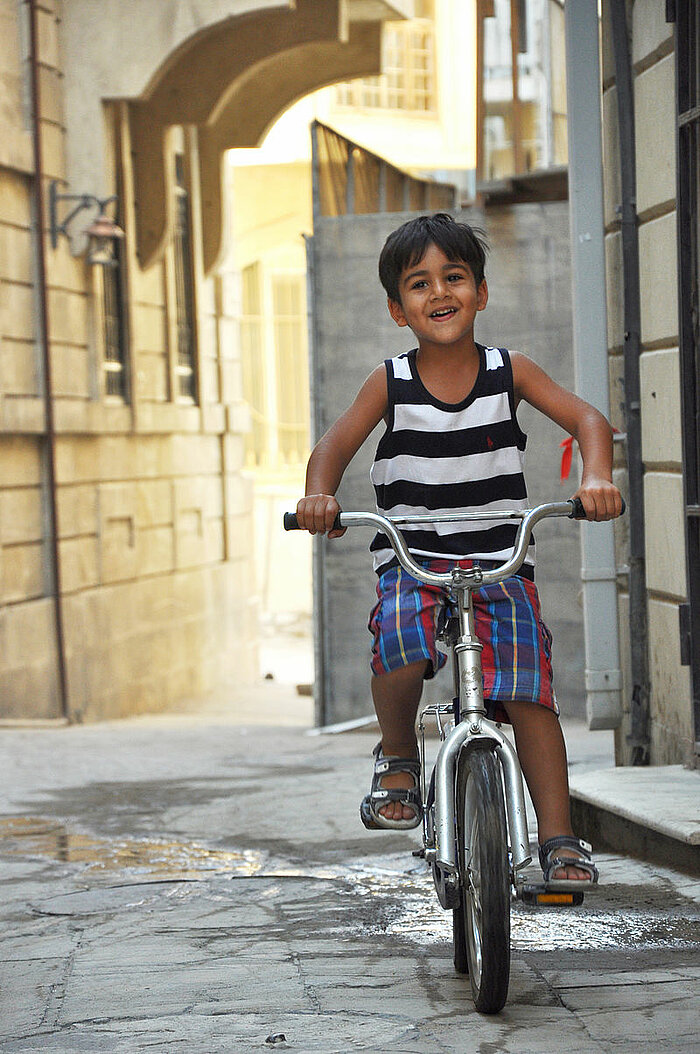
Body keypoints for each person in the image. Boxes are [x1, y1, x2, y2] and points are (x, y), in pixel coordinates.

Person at [295, 213, 622, 887]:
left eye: (454, 276)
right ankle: (397, 758)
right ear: (397, 308)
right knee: (400, 641)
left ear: (479, 292)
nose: (438, 291)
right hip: (415, 560)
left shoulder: (511, 372)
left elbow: (588, 419)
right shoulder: (390, 381)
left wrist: (595, 476)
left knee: (529, 692)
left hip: (499, 564)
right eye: (419, 284)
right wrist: (318, 497)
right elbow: (331, 448)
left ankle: (559, 838)